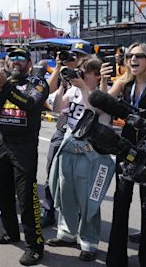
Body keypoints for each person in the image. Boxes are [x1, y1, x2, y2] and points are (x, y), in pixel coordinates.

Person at [46, 58, 115, 262]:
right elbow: (57, 108)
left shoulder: (103, 93)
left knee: (88, 198)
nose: (81, 75)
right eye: (80, 71)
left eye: (86, 72)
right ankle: (66, 232)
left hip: (91, 151)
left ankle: (89, 241)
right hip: (70, 145)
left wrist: (84, 88)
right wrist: (61, 86)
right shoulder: (73, 89)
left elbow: (92, 113)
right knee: (66, 190)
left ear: (97, 74)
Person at [0, 48, 49, 266]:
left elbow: (30, 104)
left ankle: (35, 245)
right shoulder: (0, 80)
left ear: (29, 63)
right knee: (3, 192)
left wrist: (6, 87)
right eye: (11, 58)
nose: (16, 61)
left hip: (24, 147)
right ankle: (10, 232)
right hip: (1, 143)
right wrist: (0, 87)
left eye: (21, 58)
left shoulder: (38, 82)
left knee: (27, 198)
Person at [103, 42, 146, 267]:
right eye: (130, 56)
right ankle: (116, 260)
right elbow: (101, 105)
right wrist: (104, 82)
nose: (133, 59)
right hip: (125, 150)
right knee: (120, 203)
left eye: (139, 56)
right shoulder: (124, 84)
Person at [40, 42, 92, 227]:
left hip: (83, 136)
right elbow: (48, 93)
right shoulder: (64, 74)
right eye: (71, 55)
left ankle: (76, 217)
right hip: (62, 131)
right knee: (51, 174)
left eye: (77, 56)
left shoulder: (92, 76)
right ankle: (48, 210)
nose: (73, 60)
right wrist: (61, 68)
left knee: (77, 180)